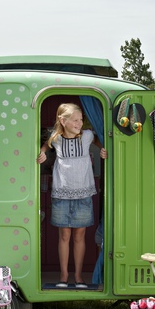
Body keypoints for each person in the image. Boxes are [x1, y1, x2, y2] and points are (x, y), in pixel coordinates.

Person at [37, 103, 107, 288]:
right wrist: (42, 153)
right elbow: (45, 145)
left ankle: (78, 277)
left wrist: (103, 149)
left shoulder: (87, 136)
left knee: (79, 237)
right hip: (61, 193)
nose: (79, 123)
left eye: (81, 119)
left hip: (83, 192)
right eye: (75, 120)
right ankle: (63, 276)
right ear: (63, 121)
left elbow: (100, 141)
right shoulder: (56, 138)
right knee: (64, 236)